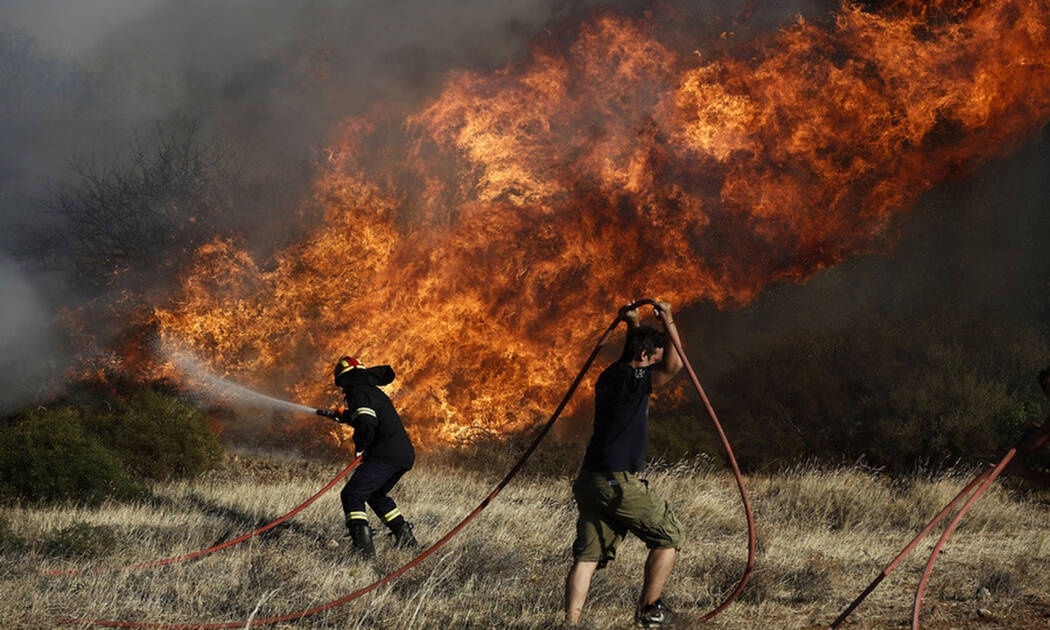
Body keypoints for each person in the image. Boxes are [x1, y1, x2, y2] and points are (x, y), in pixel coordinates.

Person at [564, 301, 686, 628]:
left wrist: (632, 324)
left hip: (590, 481)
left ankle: (570, 624)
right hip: (617, 482)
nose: (656, 367)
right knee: (669, 536)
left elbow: (631, 358)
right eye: (653, 359)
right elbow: (674, 366)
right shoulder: (636, 380)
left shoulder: (610, 375)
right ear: (645, 358)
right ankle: (650, 611)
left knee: (586, 558)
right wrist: (669, 322)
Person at [331, 355, 419, 557]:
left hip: (385, 454)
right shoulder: (371, 390)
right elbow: (367, 417)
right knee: (376, 495)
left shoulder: (358, 391)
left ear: (346, 378)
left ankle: (364, 552)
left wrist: (361, 446)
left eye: (342, 384)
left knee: (352, 495)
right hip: (403, 455)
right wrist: (345, 416)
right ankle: (407, 540)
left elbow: (365, 422)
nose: (343, 389)